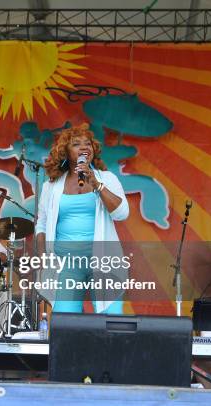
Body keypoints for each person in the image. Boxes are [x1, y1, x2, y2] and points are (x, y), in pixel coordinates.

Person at [36, 123, 129, 314]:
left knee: (110, 322)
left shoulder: (107, 178)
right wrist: (43, 257)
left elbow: (121, 214)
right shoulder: (51, 186)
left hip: (103, 260)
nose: (84, 147)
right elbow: (42, 225)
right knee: (66, 322)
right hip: (66, 264)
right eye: (76, 144)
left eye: (88, 143)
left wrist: (97, 185)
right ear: (65, 152)